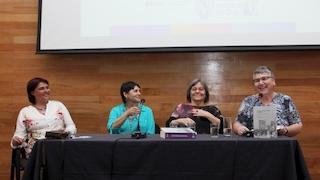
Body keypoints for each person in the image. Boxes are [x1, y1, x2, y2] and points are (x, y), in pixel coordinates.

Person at [11, 77, 77, 156]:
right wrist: (15, 141)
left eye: (47, 88)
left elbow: (71, 125)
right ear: (32, 93)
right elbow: (19, 135)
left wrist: (67, 132)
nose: (46, 91)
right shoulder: (25, 112)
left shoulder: (58, 105)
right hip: (36, 151)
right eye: (42, 88)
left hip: (59, 145)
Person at [233, 66, 302, 137]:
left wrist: (285, 130)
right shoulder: (248, 101)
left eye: (264, 79)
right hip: (254, 144)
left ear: (273, 81)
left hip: (281, 144)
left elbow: (298, 125)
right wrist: (239, 128)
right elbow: (237, 124)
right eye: (257, 80)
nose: (260, 83)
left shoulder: (285, 100)